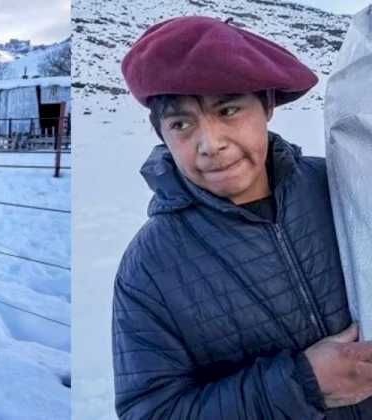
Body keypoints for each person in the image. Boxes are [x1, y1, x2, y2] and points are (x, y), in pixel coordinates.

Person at [112, 16, 372, 419]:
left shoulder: (342, 183)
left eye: (229, 109)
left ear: (266, 106)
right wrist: (302, 386)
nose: (210, 144)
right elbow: (149, 412)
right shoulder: (150, 267)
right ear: (161, 134)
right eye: (181, 124)